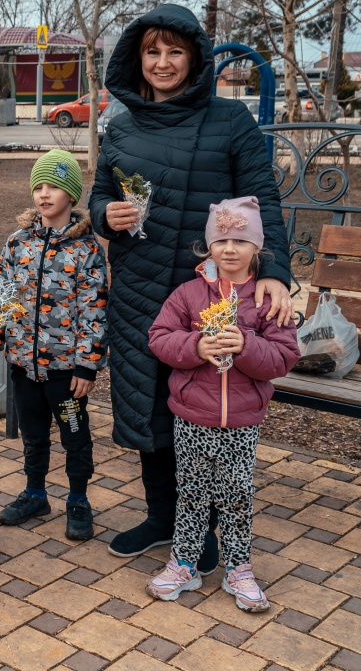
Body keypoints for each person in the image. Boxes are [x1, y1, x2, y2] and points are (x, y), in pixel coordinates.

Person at [88, 4, 293, 569]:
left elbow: (263, 201)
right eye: (151, 51)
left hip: (212, 293)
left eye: (174, 51)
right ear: (136, 57)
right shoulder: (121, 124)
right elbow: (99, 193)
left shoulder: (230, 122)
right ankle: (161, 518)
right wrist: (109, 215)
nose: (162, 62)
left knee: (202, 410)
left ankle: (199, 529)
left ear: (196, 57)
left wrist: (274, 270)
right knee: (149, 403)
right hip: (138, 287)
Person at [145, 197, 299, 610]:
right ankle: (184, 563)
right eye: (221, 239)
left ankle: (238, 567)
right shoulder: (189, 294)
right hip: (192, 415)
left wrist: (246, 344)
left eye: (240, 240)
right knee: (191, 492)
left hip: (243, 420)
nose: (230, 249)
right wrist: (196, 344)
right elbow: (160, 338)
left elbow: (284, 356)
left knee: (236, 494)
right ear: (208, 246)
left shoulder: (268, 301)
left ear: (257, 249)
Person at [0, 149, 107, 541]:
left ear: (71, 194)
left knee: (73, 433)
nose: (44, 193)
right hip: (23, 365)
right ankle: (35, 493)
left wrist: (88, 365)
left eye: (53, 186)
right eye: (38, 186)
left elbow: (94, 312)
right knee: (33, 434)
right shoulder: (17, 243)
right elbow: (1, 296)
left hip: (66, 373)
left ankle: (78, 499)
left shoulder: (86, 250)